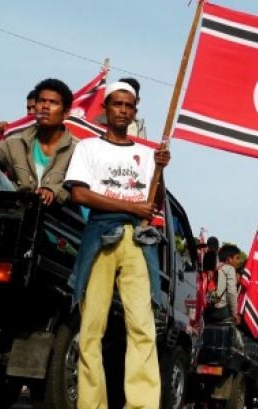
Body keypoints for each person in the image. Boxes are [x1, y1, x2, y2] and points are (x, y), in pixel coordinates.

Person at [64, 81, 170, 409]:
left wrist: (161, 170)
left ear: (135, 112)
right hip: (100, 237)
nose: (123, 110)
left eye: (129, 106)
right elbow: (78, 193)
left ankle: (141, 405)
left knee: (142, 326)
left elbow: (157, 202)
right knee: (91, 327)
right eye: (117, 104)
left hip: (138, 242)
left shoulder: (146, 154)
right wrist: (130, 207)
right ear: (105, 109)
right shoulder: (88, 149)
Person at [0, 80, 76, 205]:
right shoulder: (14, 143)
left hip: (57, 217)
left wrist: (54, 191)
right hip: (17, 209)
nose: (45, 106)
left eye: (53, 102)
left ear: (65, 113)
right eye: (41, 101)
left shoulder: (77, 150)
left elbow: (79, 190)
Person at [204, 243, 241, 324]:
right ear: (229, 259)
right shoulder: (230, 269)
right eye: (237, 258)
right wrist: (234, 313)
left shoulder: (213, 267)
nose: (238, 261)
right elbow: (231, 293)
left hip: (206, 309)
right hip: (220, 311)